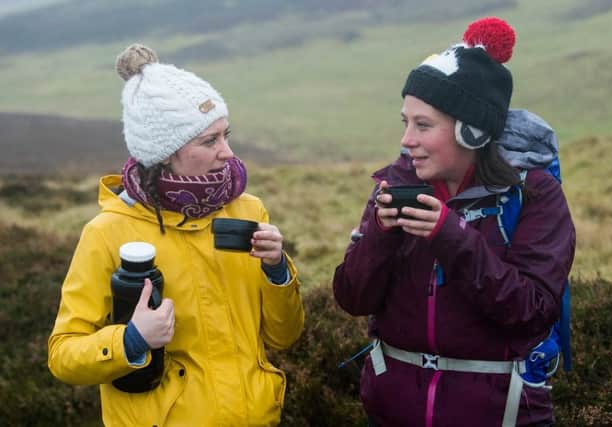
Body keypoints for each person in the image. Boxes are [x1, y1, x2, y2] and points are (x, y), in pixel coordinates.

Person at [333, 17, 575, 427]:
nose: (406, 140)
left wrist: (450, 236)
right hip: (393, 413)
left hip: (502, 414)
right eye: (405, 122)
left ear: (472, 132)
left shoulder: (534, 195)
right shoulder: (394, 187)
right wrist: (382, 235)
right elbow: (353, 299)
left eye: (423, 125)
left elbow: (531, 312)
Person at [48, 44, 304, 426]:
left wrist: (276, 271)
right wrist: (131, 340)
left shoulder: (248, 210)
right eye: (209, 141)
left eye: (225, 135)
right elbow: (63, 356)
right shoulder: (107, 232)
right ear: (163, 152)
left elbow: (284, 337)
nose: (228, 153)